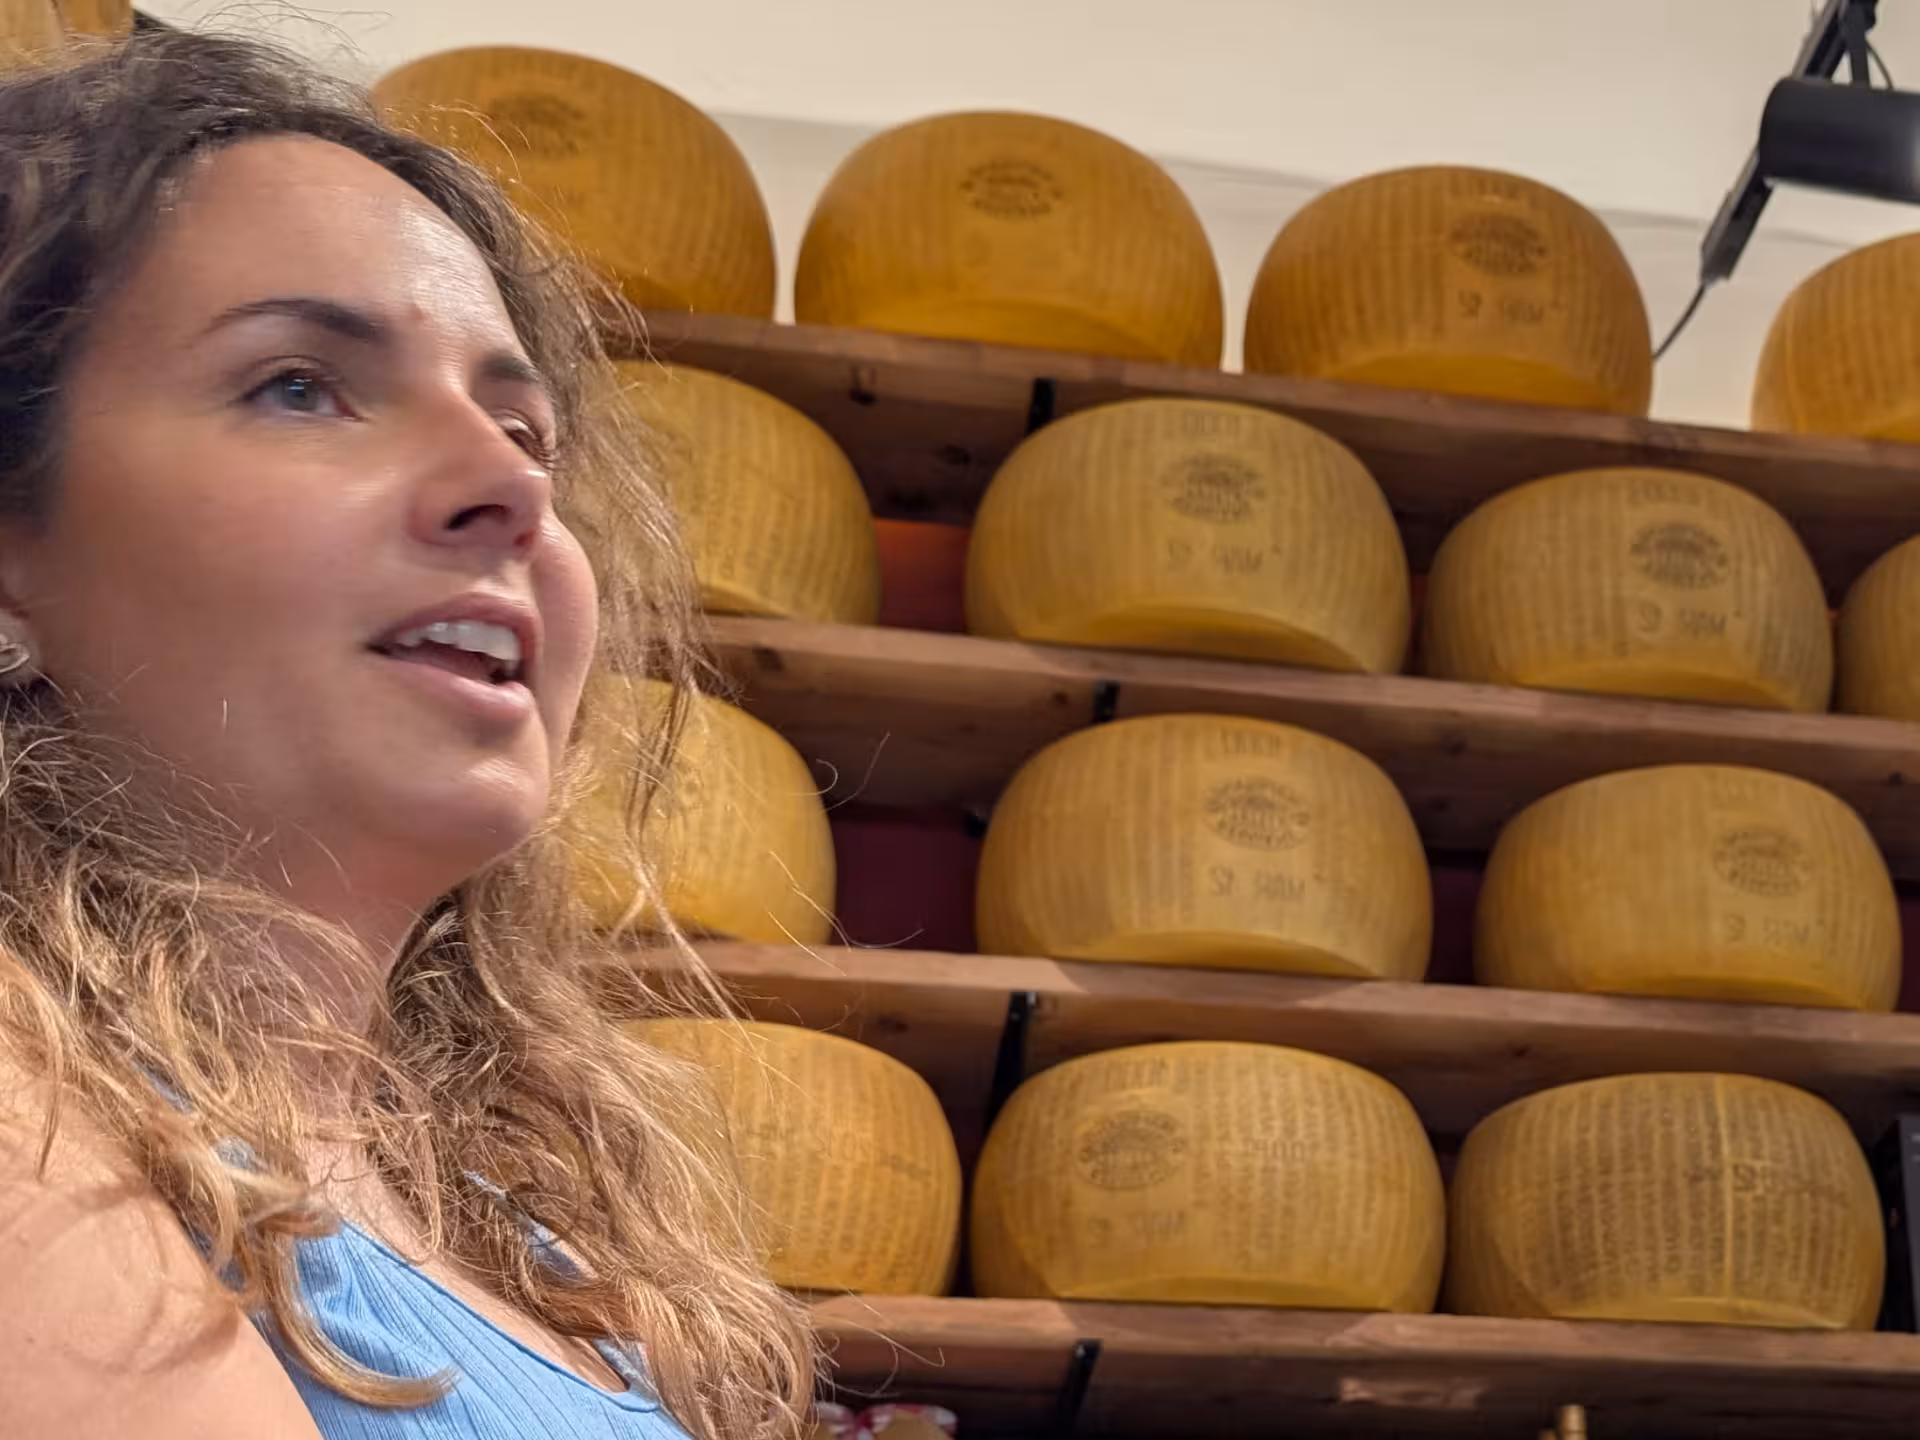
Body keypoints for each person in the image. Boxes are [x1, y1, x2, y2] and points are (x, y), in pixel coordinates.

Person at [0, 25, 815, 1440]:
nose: (506, 486)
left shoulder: (513, 1218)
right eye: (300, 384)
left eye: (526, 429)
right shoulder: (28, 1126)